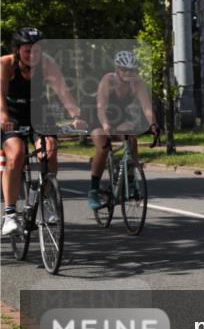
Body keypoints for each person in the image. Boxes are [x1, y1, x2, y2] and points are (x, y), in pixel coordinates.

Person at [1, 27, 86, 235]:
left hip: (39, 112)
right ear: (17, 50)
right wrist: (3, 117)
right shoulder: (5, 64)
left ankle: (46, 200)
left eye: (37, 51)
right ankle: (10, 214)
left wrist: (76, 115)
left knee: (49, 150)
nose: (32, 55)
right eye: (27, 51)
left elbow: (63, 91)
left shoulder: (46, 63)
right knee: (17, 154)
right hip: (12, 115)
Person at [87, 50, 159, 210]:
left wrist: (153, 125)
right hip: (98, 117)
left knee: (131, 139)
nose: (129, 73)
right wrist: (105, 126)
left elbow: (147, 107)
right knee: (103, 147)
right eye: (125, 70)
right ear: (117, 69)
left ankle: (131, 181)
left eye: (133, 70)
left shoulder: (137, 83)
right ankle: (93, 189)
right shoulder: (108, 80)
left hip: (119, 118)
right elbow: (101, 108)